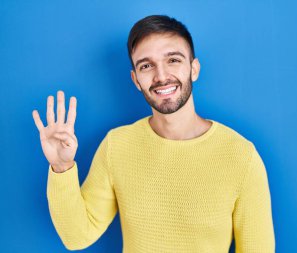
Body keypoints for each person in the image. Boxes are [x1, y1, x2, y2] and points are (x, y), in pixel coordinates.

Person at [32, 15, 275, 252]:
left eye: (173, 60)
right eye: (146, 66)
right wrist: (62, 167)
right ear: (136, 79)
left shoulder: (241, 156)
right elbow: (77, 237)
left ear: (194, 69)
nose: (161, 76)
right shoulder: (117, 145)